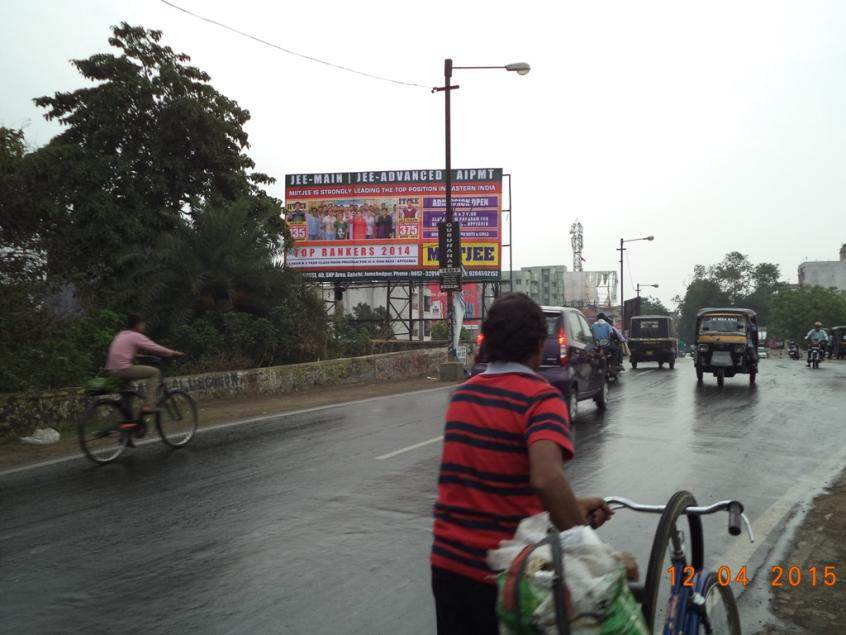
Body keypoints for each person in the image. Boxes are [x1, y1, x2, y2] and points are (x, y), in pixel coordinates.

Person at [431, 293, 624, 634]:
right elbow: (547, 480)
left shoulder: (462, 396)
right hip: (504, 575)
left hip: (447, 567)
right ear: (539, 345)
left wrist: (574, 506)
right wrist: (594, 554)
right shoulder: (540, 398)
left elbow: (492, 488)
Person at [105, 315, 183, 414]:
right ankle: (148, 405)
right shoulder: (135, 336)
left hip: (112, 369)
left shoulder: (121, 334)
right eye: (143, 324)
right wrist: (172, 353)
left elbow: (124, 352)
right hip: (123, 368)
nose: (144, 326)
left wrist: (141, 356)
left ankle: (129, 422)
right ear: (137, 325)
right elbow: (154, 347)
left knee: (128, 392)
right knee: (155, 372)